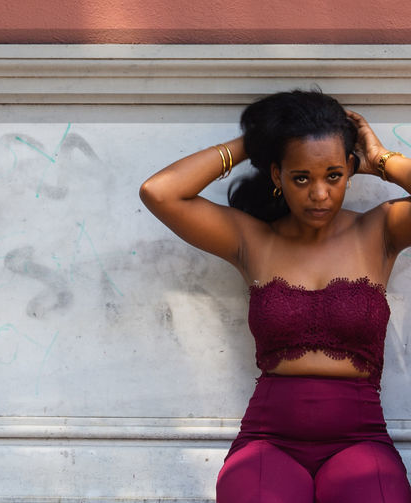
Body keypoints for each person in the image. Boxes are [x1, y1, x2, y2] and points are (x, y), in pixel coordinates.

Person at [139, 89, 411, 502]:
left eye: (333, 176)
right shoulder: (252, 239)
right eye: (301, 177)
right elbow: (159, 192)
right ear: (276, 176)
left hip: (361, 440)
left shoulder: (381, 230)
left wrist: (382, 161)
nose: (319, 194)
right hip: (269, 444)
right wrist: (253, 144)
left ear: (350, 172)